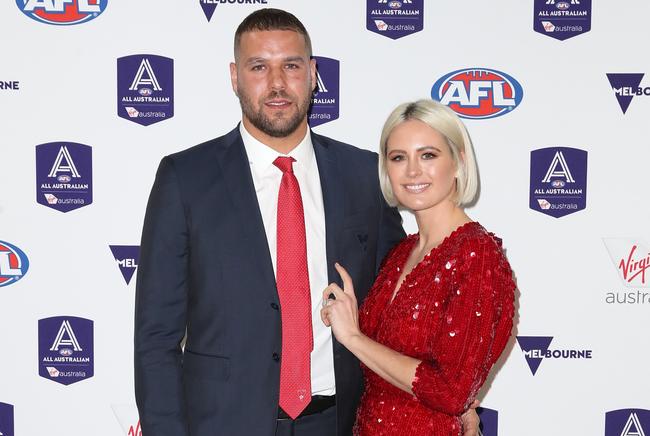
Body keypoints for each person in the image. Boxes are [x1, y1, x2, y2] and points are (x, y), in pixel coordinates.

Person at [134, 9, 479, 436]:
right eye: (259, 67)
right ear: (234, 77)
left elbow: (400, 308)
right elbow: (156, 339)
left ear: (313, 74)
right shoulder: (185, 179)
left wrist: (450, 395)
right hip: (222, 424)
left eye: (291, 66)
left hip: (339, 422)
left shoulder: (365, 176)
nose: (276, 83)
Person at [321, 99, 516, 435]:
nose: (412, 171)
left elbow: (451, 392)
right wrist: (350, 318)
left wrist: (353, 337)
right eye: (398, 158)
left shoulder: (478, 256)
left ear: (458, 162)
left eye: (428, 155)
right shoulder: (402, 252)